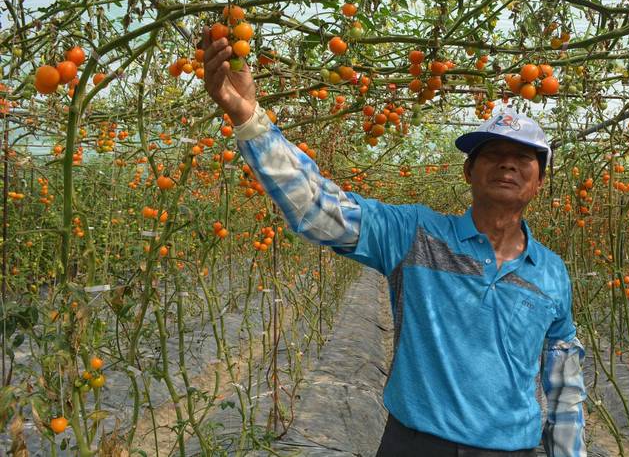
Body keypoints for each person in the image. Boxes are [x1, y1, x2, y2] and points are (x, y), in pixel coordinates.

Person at [201, 28, 587, 457]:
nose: (507, 164)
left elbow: (563, 384)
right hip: (416, 444)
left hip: (514, 448)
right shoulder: (416, 235)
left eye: (523, 157)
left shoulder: (552, 272)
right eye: (493, 153)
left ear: (539, 182)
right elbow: (317, 207)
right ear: (469, 173)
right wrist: (248, 116)